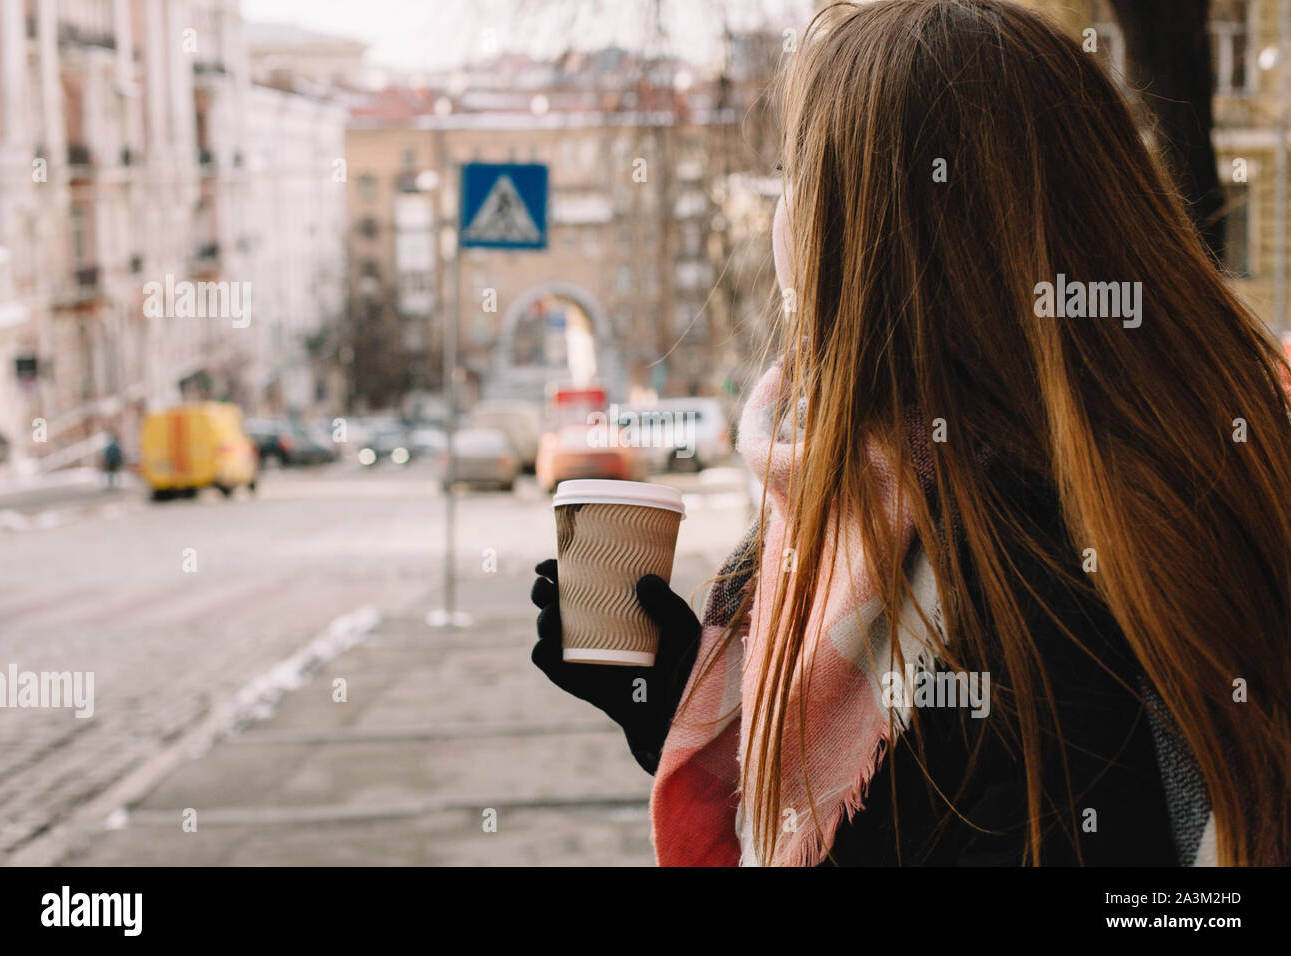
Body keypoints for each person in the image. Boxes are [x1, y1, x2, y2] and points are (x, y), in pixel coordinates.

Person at [532, 0, 1291, 866]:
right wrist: (677, 702)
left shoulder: (1015, 578)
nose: (784, 221)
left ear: (867, 244)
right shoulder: (1185, 456)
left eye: (798, 180)